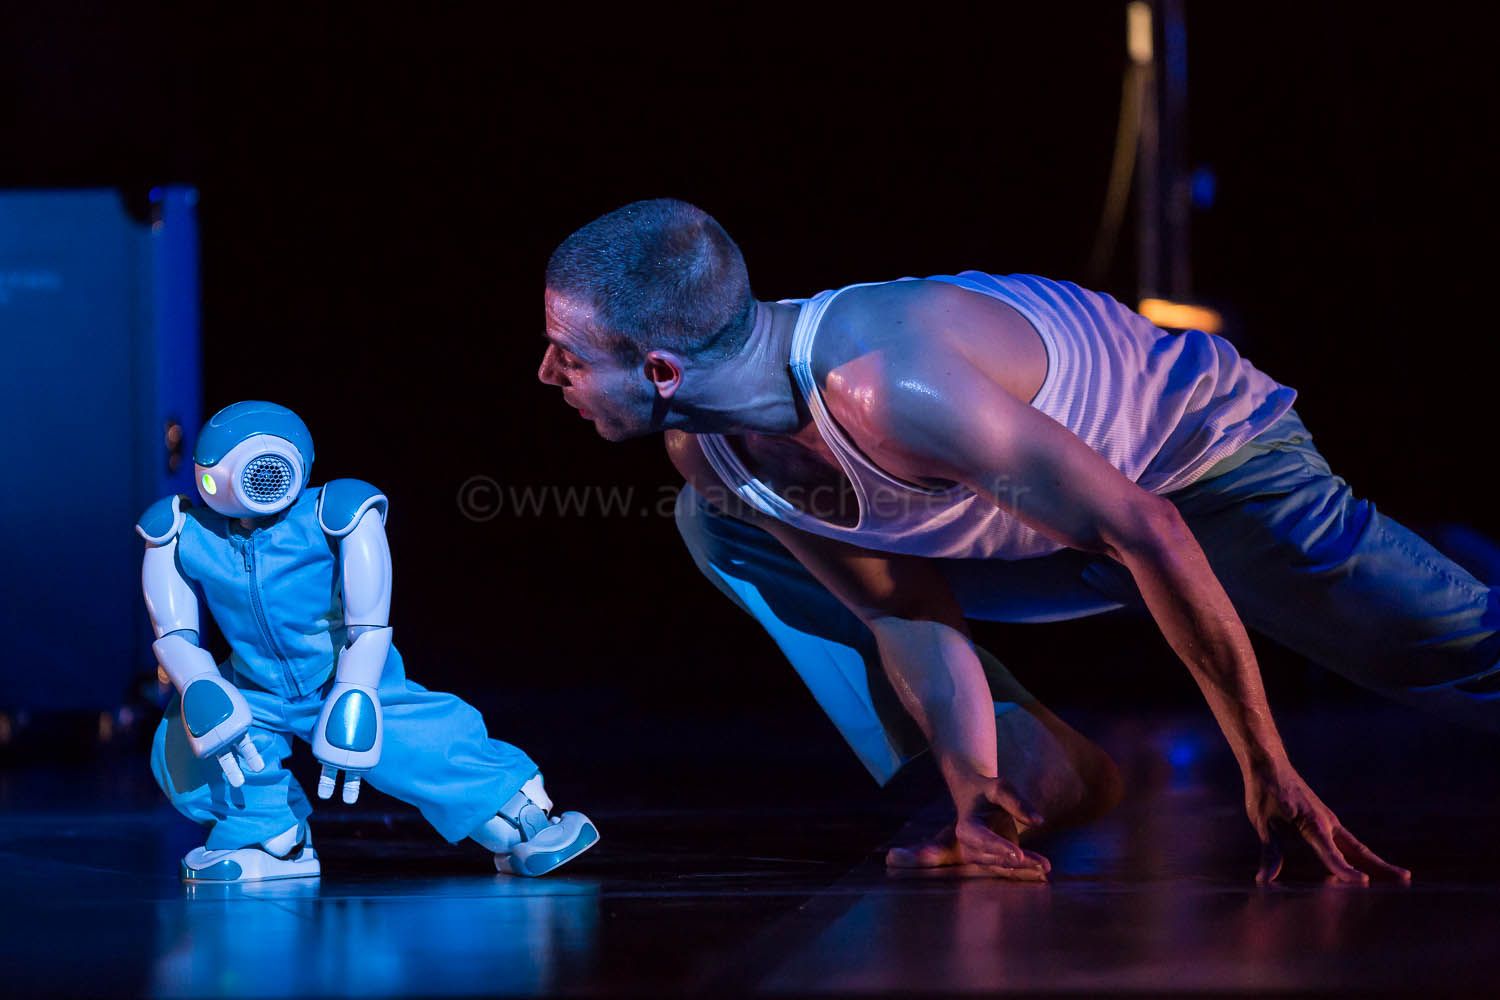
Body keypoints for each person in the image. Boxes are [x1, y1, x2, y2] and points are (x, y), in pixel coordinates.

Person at [538, 198, 1491, 885]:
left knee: (1451, 648)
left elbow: (1148, 528)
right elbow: (900, 607)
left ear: (661, 370)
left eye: (568, 356)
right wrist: (973, 787)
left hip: (1203, 476)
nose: (548, 374)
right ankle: (1032, 777)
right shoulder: (706, 449)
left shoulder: (890, 385)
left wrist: (1267, 767)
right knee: (718, 523)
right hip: (1038, 531)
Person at [141, 401, 599, 881]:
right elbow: (174, 630)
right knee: (193, 748)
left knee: (413, 740)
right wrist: (199, 684)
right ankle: (270, 836)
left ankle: (517, 814)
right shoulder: (185, 533)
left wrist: (355, 687)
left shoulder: (330, 513)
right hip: (252, 684)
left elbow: (369, 619)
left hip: (336, 670)